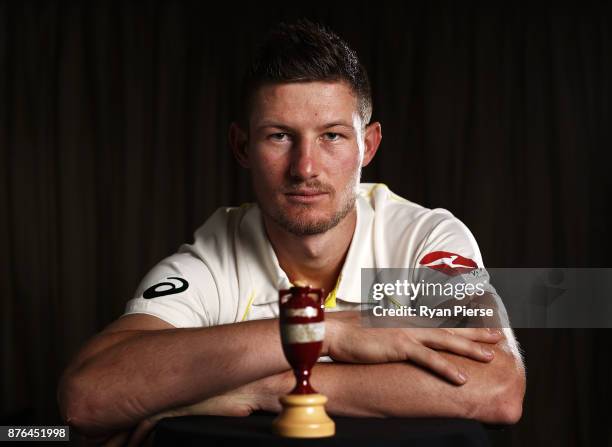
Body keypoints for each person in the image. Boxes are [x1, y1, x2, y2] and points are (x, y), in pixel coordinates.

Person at [58, 19, 525, 445]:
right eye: (279, 135)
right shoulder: (216, 256)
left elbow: (498, 388)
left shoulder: (421, 240)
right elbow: (86, 398)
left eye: (332, 136)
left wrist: (270, 386)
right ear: (242, 146)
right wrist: (326, 333)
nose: (304, 168)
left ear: (369, 145)